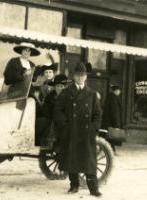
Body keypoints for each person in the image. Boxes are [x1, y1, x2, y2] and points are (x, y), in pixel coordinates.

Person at [54, 62, 102, 196]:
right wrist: (66, 125)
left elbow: (98, 114)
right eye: (78, 75)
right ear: (74, 77)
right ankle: (74, 186)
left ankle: (94, 188)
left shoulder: (92, 94)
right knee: (72, 159)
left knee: (90, 161)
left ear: (86, 77)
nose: (80, 77)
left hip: (87, 133)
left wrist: (93, 128)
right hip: (72, 131)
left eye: (83, 75)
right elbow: (58, 110)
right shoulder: (66, 92)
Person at [101, 85, 123, 154]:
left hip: (106, 121)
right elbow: (114, 112)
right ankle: (111, 151)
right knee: (111, 137)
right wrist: (116, 124)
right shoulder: (114, 99)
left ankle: (110, 151)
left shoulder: (109, 97)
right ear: (117, 91)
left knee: (107, 137)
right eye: (119, 90)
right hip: (111, 122)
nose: (120, 92)